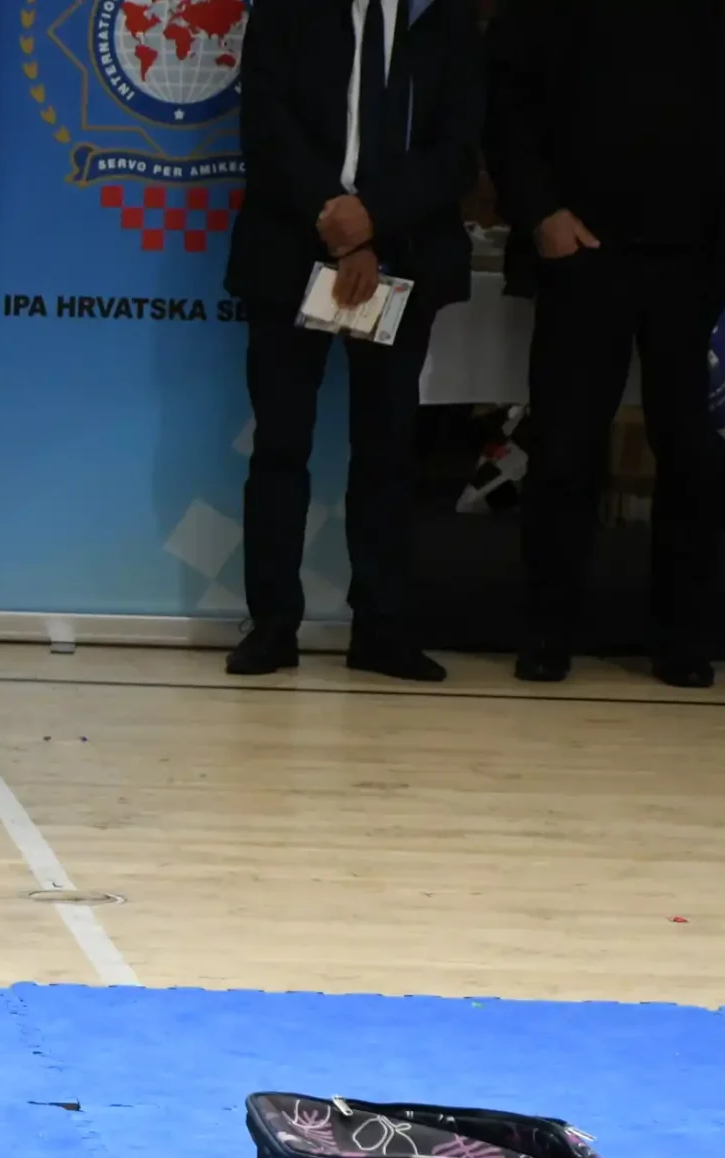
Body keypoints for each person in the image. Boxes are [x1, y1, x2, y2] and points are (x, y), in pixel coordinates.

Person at [485, 0, 725, 689]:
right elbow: (505, 100)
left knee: (694, 459)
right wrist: (540, 211)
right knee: (565, 450)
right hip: (582, 255)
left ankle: (683, 639)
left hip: (706, 267)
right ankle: (548, 630)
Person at [224, 0, 485, 682]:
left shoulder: (446, 18)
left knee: (388, 452)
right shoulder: (289, 9)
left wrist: (372, 220)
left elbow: (457, 152)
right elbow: (266, 126)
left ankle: (383, 630)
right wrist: (336, 220)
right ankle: (273, 626)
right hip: (289, 251)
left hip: (402, 259)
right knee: (280, 444)